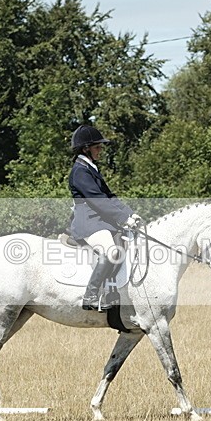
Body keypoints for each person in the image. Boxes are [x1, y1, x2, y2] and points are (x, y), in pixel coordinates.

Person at [68, 125, 142, 311]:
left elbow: (109, 196)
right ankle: (91, 295)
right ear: (86, 148)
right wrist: (123, 218)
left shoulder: (90, 168)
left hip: (99, 220)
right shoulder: (80, 171)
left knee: (123, 242)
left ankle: (111, 293)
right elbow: (98, 201)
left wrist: (129, 214)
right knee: (111, 251)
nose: (100, 150)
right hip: (88, 221)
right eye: (97, 147)